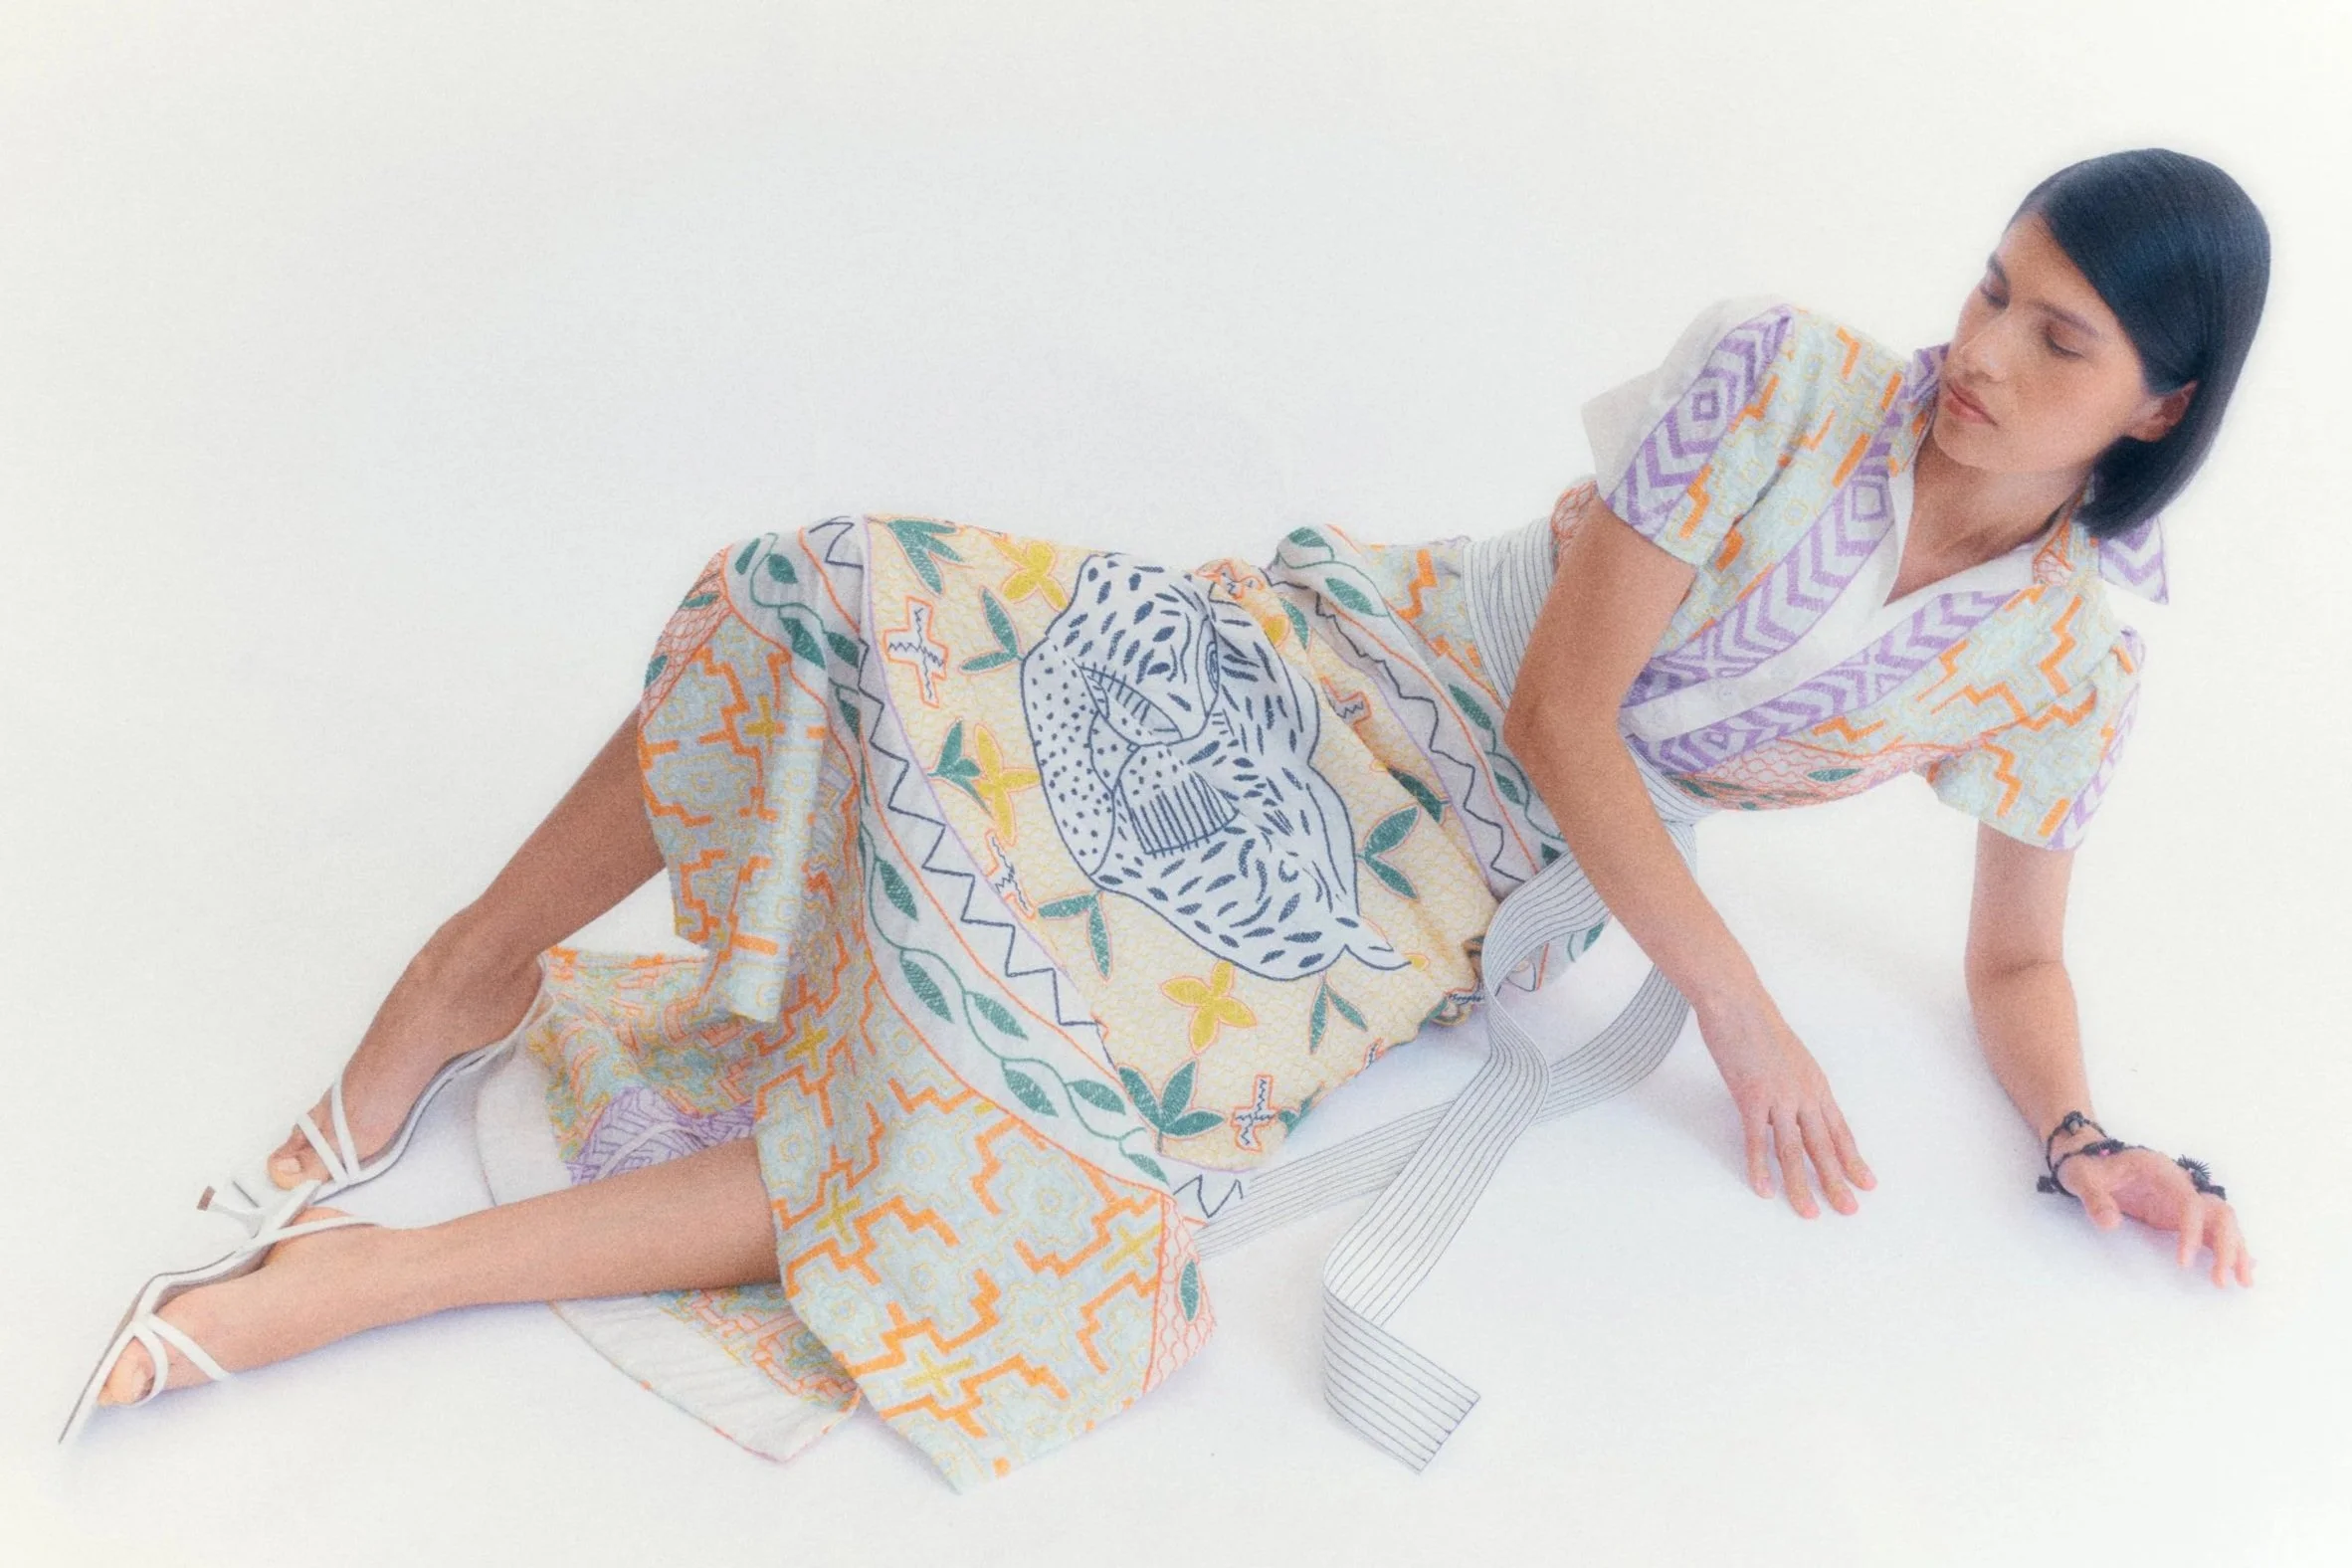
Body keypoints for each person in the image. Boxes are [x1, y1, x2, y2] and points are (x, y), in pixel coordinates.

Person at [65, 147, 2268, 1487]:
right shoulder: (1779, 376)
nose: (1981, 347)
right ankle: (464, 974)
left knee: (1005, 1151)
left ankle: (370, 1281)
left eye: (2057, 339)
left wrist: (2086, 1138)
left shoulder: (2067, 663)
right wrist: (1744, 1014)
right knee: (832, 593)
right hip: (1358, 665)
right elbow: (1562, 706)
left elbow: (2016, 953)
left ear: (2156, 406)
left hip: (1453, 881)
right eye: (1991, 285)